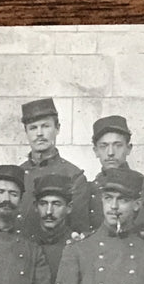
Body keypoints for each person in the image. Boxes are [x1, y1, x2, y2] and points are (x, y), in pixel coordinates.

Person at [15, 97, 89, 238]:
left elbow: (78, 228)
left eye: (45, 126)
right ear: (26, 132)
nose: (39, 133)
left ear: (57, 128)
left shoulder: (74, 176)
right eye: (33, 128)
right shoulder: (17, 175)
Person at [84, 115, 144, 234]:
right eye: (104, 146)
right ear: (95, 151)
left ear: (128, 148)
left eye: (118, 145)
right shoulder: (89, 189)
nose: (110, 153)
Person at [32, 174, 75, 284]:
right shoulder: (27, 246)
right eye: (43, 204)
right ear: (35, 207)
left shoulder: (78, 246)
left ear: (69, 208)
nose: (49, 212)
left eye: (56, 204)